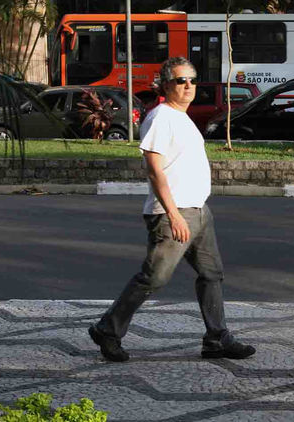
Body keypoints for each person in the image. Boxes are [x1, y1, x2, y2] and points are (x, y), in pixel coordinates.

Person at [88, 57, 256, 362]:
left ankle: (217, 339)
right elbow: (154, 170)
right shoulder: (161, 117)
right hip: (173, 214)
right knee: (154, 278)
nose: (189, 86)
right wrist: (174, 214)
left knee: (211, 274)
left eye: (192, 80)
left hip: (198, 211)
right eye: (181, 81)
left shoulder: (182, 117)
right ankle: (107, 330)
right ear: (166, 85)